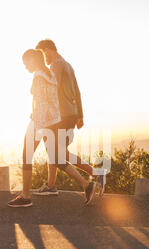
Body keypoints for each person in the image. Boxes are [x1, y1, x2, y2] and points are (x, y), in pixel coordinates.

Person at [8, 49, 96, 208]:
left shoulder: (38, 76)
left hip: (39, 122)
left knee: (27, 156)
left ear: (33, 60)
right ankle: (86, 184)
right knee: (56, 157)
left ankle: (25, 196)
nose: (25, 66)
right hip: (54, 121)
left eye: (26, 62)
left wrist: (37, 123)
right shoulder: (50, 75)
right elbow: (52, 101)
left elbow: (41, 102)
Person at [32, 39, 106, 197]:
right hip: (69, 114)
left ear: (48, 50)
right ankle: (51, 185)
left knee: (57, 153)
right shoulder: (68, 65)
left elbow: (50, 91)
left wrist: (39, 111)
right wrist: (80, 115)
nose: (44, 58)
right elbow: (77, 92)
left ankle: (95, 174)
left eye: (43, 53)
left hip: (61, 116)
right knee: (56, 151)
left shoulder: (56, 65)